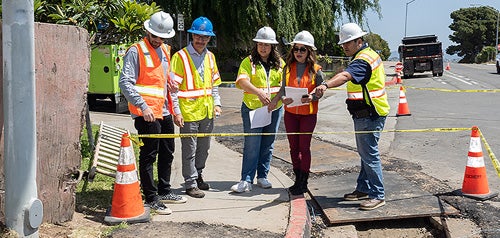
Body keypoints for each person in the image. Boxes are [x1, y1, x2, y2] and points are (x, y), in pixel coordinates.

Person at [314, 23, 390, 210]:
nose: (344, 46)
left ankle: (377, 195)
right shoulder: (367, 55)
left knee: (369, 154)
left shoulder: (362, 61)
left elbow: (345, 76)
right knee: (366, 153)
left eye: (348, 42)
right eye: (343, 43)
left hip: (369, 114)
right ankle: (363, 188)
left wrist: (325, 85)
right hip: (370, 113)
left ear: (359, 41)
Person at [119, 11, 187, 215]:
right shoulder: (136, 50)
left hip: (164, 111)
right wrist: (143, 106)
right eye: (155, 36)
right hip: (146, 113)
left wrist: (176, 110)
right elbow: (125, 82)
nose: (158, 40)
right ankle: (150, 197)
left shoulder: (166, 50)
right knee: (149, 155)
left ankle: (164, 190)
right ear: (147, 31)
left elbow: (168, 84)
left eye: (162, 37)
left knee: (168, 151)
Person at [170, 16, 222, 199]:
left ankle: (198, 175)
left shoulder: (210, 57)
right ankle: (190, 183)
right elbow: (173, 89)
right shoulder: (180, 57)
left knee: (204, 148)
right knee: (189, 151)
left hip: (207, 112)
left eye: (205, 37)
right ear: (192, 36)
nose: (201, 40)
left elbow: (214, 84)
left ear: (209, 38)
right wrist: (176, 112)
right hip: (189, 113)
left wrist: (217, 103)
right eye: (198, 36)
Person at [231, 26, 284, 193]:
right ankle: (246, 179)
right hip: (253, 108)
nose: (263, 47)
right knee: (252, 144)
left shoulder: (280, 63)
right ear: (256, 45)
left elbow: (284, 86)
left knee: (268, 143)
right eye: (260, 44)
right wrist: (259, 92)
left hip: (274, 109)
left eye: (266, 45)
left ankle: (262, 176)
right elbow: (241, 81)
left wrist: (275, 100)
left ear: (272, 46)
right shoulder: (249, 62)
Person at [271, 30, 324, 195]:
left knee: (304, 147)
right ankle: (297, 179)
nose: (299, 52)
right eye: (296, 49)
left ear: (309, 51)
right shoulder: (287, 68)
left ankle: (304, 181)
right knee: (293, 147)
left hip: (308, 115)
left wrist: (312, 97)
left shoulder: (316, 70)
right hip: (291, 114)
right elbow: (283, 89)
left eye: (302, 49)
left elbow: (321, 91)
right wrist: (282, 98)